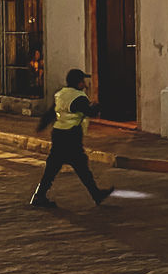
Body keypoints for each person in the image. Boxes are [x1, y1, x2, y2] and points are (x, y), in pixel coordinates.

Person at [29, 68, 114, 209]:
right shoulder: (78, 97)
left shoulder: (61, 94)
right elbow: (90, 112)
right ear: (78, 82)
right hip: (70, 136)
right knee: (81, 167)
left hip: (58, 134)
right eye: (83, 81)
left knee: (53, 168)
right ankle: (96, 194)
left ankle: (39, 195)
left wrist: (41, 126)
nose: (85, 84)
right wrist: (97, 105)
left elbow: (51, 113)